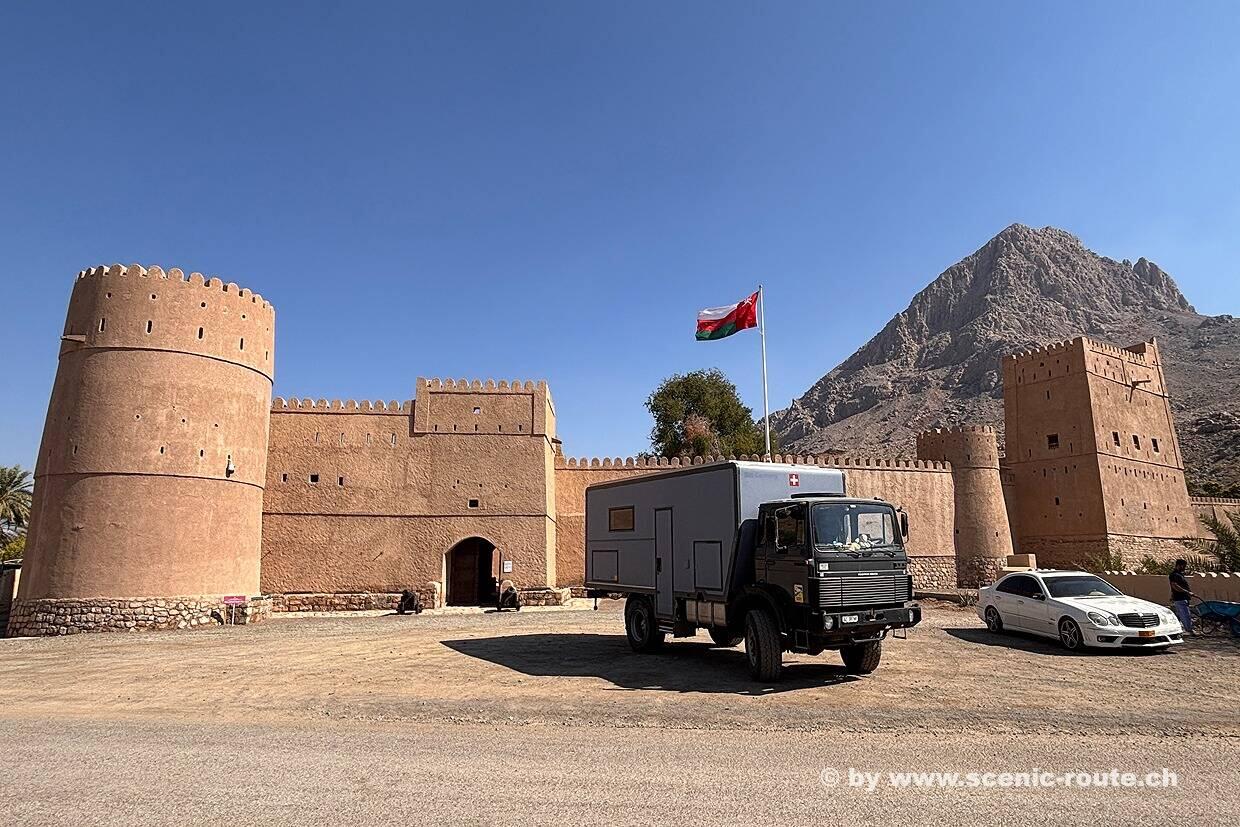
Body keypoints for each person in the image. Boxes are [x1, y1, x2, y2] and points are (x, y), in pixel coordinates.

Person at [1169, 559, 1194, 634]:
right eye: (1183, 566)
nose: (1184, 568)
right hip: (1180, 598)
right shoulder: (1174, 575)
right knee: (1185, 615)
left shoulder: (1180, 575)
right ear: (1179, 565)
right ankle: (1189, 630)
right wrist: (1187, 592)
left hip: (1182, 598)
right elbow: (1174, 586)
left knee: (1179, 616)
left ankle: (1176, 631)